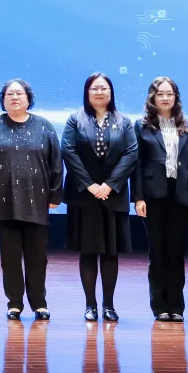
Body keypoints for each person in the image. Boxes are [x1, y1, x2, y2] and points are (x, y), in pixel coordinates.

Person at [0, 79, 62, 321]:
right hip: (2, 201)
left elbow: (56, 162)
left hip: (37, 200)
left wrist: (55, 193)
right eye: (10, 94)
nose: (14, 97)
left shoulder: (44, 126)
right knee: (10, 258)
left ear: (28, 98)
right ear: (3, 100)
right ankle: (14, 303)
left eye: (19, 93)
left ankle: (39, 304)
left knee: (37, 258)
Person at [61, 72, 138, 323]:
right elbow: (68, 151)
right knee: (88, 251)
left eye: (104, 88)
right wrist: (90, 185)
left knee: (110, 253)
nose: (99, 92)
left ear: (111, 92)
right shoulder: (76, 119)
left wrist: (110, 185)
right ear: (87, 92)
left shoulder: (123, 121)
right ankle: (90, 305)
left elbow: (131, 153)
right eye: (94, 88)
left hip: (112, 195)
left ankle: (109, 306)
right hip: (85, 196)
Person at [132, 76, 188, 322]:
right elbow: (136, 164)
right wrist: (138, 197)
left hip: (181, 194)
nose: (165, 98)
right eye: (160, 93)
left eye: (169, 94)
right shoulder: (141, 126)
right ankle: (159, 306)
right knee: (158, 251)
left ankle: (177, 306)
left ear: (176, 97)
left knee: (177, 251)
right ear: (152, 97)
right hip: (153, 195)